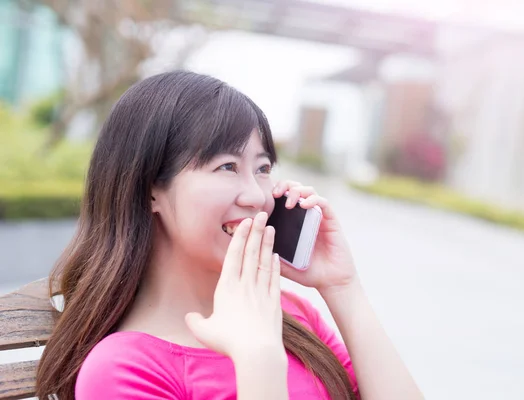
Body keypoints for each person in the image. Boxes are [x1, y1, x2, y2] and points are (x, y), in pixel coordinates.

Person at [35, 71, 423, 400]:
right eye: (226, 167)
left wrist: (343, 288)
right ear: (150, 186)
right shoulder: (123, 370)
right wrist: (258, 359)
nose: (257, 197)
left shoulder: (292, 314)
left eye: (262, 167)